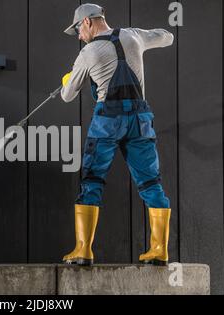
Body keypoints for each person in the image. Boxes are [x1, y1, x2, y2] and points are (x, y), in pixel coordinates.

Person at [61, 3, 174, 266]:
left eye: (78, 28)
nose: (79, 35)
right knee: (151, 183)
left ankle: (83, 251)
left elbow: (67, 96)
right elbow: (167, 36)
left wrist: (68, 79)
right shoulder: (133, 35)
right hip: (139, 120)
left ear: (88, 22)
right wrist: (144, 36)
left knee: (92, 180)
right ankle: (159, 250)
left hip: (108, 121)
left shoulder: (88, 52)